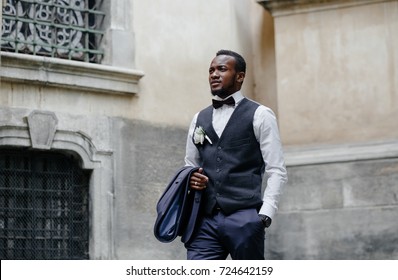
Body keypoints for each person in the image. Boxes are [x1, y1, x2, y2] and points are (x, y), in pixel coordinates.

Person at [183, 49, 288, 260]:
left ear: (240, 76)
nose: (214, 74)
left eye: (222, 69)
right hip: (205, 222)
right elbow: (189, 164)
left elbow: (276, 170)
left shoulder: (261, 115)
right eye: (211, 70)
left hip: (245, 219)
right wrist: (191, 177)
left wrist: (265, 214)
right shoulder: (199, 118)